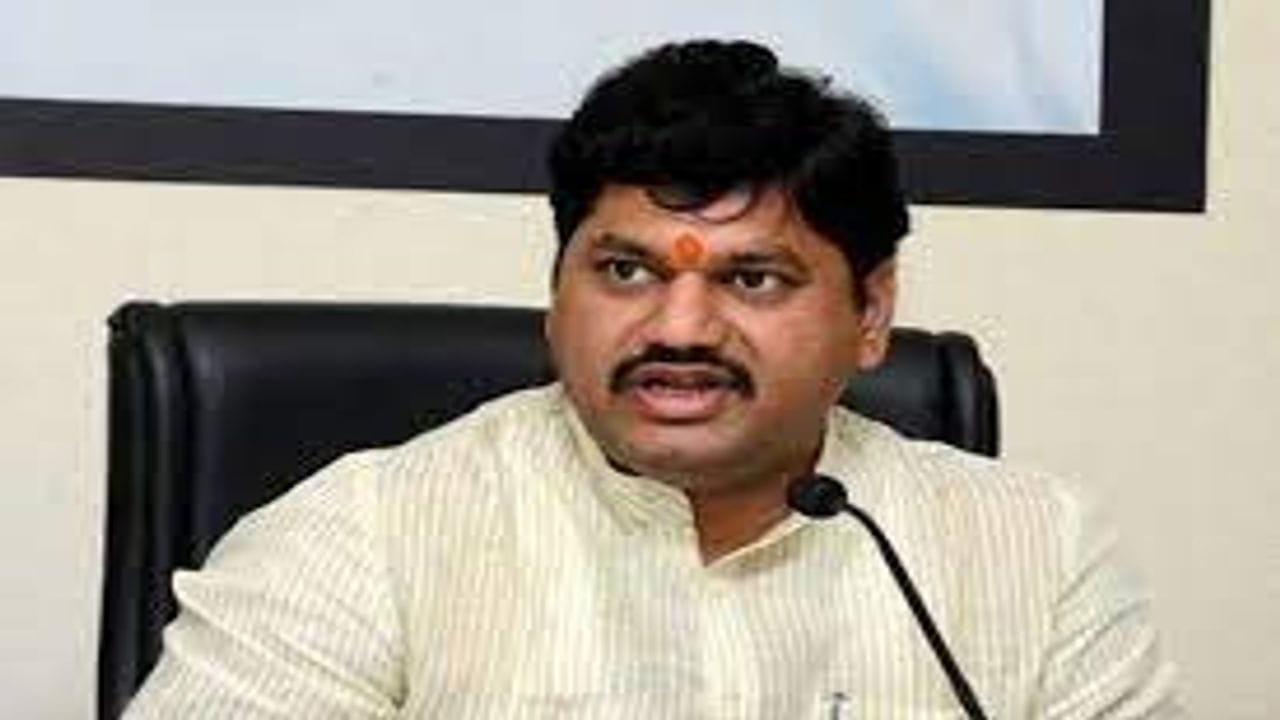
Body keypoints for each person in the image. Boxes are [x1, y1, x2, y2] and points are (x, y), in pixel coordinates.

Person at [125, 39, 1180, 718]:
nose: (679, 328)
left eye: (753, 279)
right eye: (625, 271)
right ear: (557, 292)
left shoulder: (1031, 552)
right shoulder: (361, 538)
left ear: (868, 316)